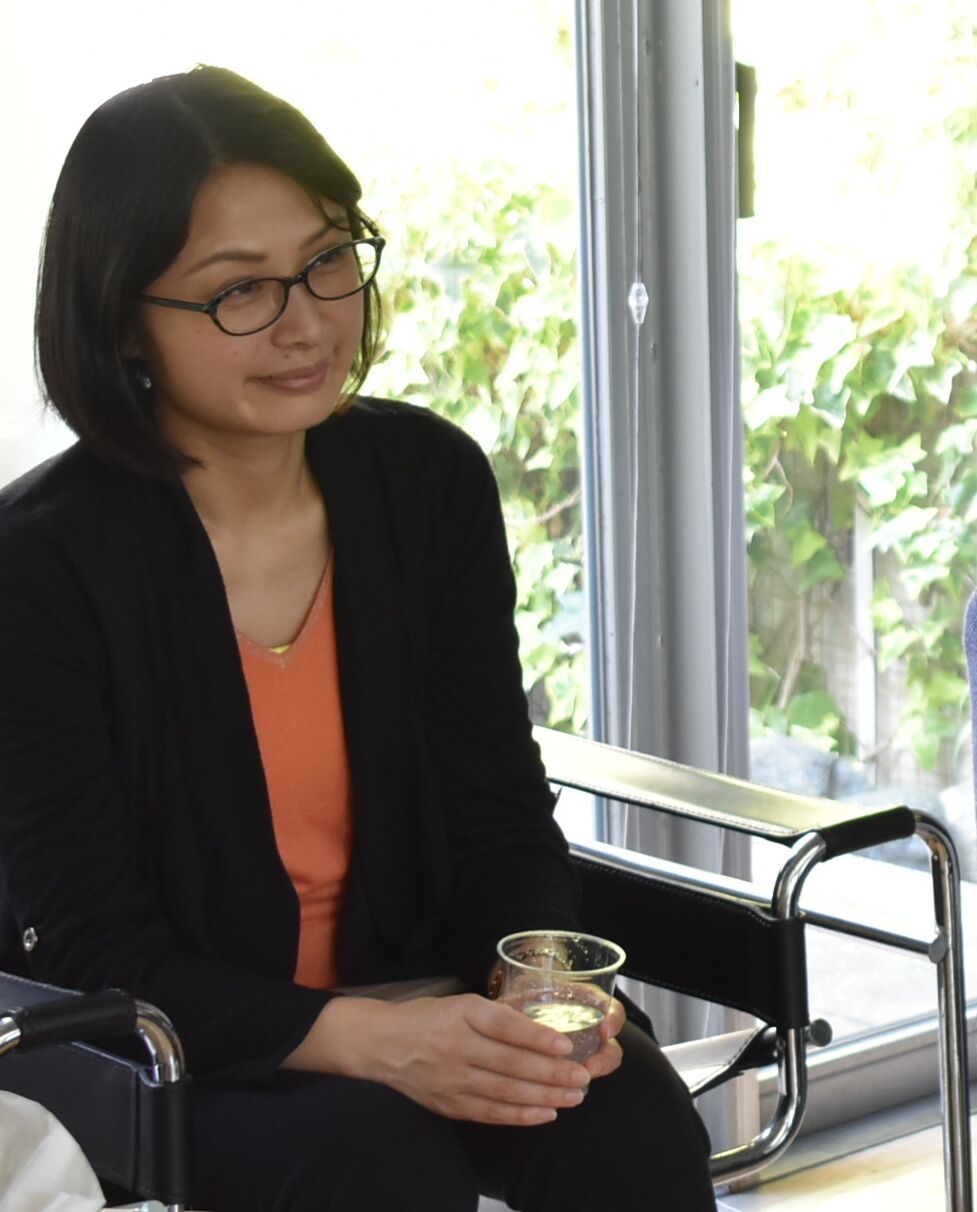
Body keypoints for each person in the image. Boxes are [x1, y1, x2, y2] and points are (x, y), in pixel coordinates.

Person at [0, 66, 715, 1211]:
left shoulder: (425, 483)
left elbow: (495, 816)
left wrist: (531, 985)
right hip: (170, 1053)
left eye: (327, 260)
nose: (309, 323)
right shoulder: (39, 565)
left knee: (623, 1118)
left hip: (421, 991)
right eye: (240, 291)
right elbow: (93, 946)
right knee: (370, 1164)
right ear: (123, 317)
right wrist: (375, 1044)